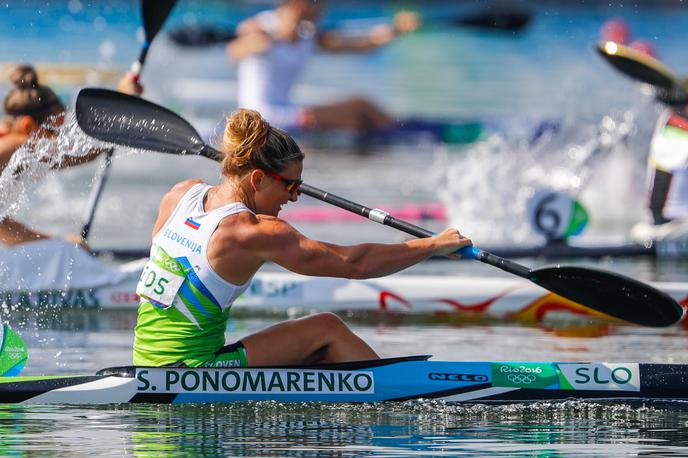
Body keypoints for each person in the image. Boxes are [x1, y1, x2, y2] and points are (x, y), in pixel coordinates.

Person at [133, 109, 471, 367]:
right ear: (257, 179)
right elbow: (355, 264)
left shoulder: (179, 195)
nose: (295, 197)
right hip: (195, 371)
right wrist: (433, 245)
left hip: (146, 365)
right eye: (290, 185)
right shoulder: (251, 232)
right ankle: (399, 396)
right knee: (327, 329)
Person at [0, 64, 143, 248]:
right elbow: (78, 151)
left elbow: (81, 154)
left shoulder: (11, 145)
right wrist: (59, 243)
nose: (55, 140)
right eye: (53, 133)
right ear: (28, 126)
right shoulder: (15, 145)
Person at [227, 0, 419, 134]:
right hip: (260, 116)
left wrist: (396, 29)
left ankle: (392, 131)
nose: (324, 9)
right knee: (360, 106)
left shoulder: (308, 36)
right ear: (299, 4)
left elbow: (360, 45)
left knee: (358, 116)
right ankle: (406, 135)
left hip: (287, 112)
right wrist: (261, 40)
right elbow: (234, 51)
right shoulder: (259, 26)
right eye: (319, 3)